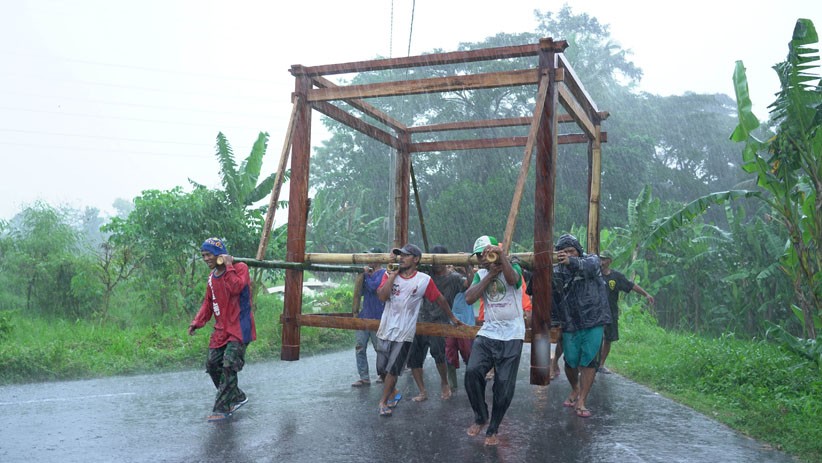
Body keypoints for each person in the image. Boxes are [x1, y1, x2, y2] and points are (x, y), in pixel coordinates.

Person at [374, 243, 463, 417]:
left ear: (416, 259)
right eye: (400, 255)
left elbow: (440, 299)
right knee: (381, 368)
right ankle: (393, 392)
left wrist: (452, 317)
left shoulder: (423, 280)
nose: (401, 258)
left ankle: (382, 402)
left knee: (393, 369)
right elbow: (382, 297)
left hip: (405, 333)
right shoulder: (389, 274)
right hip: (385, 329)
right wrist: (392, 276)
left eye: (405, 255)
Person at [463, 235, 525, 446]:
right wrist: (489, 275)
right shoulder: (481, 274)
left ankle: (493, 428)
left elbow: (512, 280)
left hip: (512, 334)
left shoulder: (513, 266)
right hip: (489, 332)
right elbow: (469, 298)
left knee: (503, 386)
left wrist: (502, 258)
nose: (482, 258)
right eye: (479, 255)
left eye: (485, 253)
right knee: (472, 372)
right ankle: (481, 416)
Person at [188, 237, 257, 422]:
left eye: (208, 255)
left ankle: (222, 408)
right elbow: (208, 304)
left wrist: (228, 266)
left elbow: (236, 288)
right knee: (212, 364)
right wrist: (197, 322)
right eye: (203, 255)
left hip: (240, 327)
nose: (205, 259)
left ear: (219, 254)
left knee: (229, 365)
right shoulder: (212, 278)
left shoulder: (240, 268)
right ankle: (237, 396)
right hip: (221, 329)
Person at [551, 234, 610, 418]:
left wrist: (571, 261)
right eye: (564, 252)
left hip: (593, 319)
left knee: (589, 361)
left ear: (578, 250)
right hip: (570, 321)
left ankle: (582, 400)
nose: (568, 254)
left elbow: (589, 266)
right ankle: (575, 388)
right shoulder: (557, 270)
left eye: (571, 251)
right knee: (570, 361)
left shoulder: (591, 260)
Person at [409, 245, 469, 401]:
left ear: (445, 260)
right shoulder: (425, 274)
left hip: (440, 321)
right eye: (433, 261)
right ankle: (422, 391)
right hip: (419, 319)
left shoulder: (454, 278)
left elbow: (469, 285)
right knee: (414, 357)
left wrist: (467, 264)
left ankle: (444, 382)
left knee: (439, 355)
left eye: (439, 260)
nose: (435, 265)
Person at [598, 251, 655, 374]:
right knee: (594, 338)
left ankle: (601, 365)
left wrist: (646, 294)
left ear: (610, 261)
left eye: (604, 259)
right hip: (596, 313)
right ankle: (589, 365)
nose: (601, 262)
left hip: (611, 313)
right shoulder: (594, 274)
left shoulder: (616, 276)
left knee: (608, 339)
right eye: (600, 259)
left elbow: (631, 285)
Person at [352, 247, 387, 387]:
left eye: (371, 257)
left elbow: (375, 287)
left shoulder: (384, 273)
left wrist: (365, 275)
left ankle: (383, 374)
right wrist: (361, 276)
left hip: (379, 317)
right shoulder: (365, 274)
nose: (368, 260)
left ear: (379, 259)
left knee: (380, 348)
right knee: (359, 347)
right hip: (364, 315)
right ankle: (364, 377)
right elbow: (358, 292)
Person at [445, 265, 476, 392]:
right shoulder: (447, 279)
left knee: (469, 355)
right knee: (449, 355)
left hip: (466, 324)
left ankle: (472, 383)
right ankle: (452, 385)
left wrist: (466, 267)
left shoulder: (464, 280)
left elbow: (471, 284)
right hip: (450, 324)